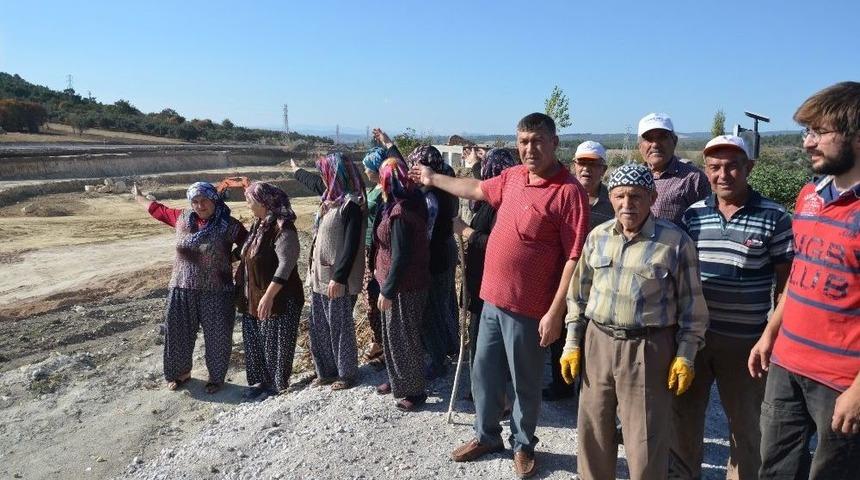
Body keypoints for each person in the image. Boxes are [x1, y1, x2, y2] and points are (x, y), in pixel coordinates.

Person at [412, 113, 589, 479]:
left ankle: (523, 445)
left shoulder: (568, 192)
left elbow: (575, 257)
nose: (529, 149)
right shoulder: (511, 178)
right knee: (484, 375)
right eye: (523, 141)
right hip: (491, 300)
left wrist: (555, 312)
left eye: (538, 141)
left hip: (530, 307)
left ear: (555, 143)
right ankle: (486, 436)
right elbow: (475, 189)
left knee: (525, 382)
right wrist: (433, 178)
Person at [560, 163, 709, 480]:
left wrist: (686, 355)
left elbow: (693, 308)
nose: (627, 205)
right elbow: (578, 296)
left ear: (652, 197)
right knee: (594, 433)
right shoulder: (597, 237)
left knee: (645, 441)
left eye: (636, 196)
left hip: (648, 348)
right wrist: (572, 343)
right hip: (598, 343)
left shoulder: (676, 243)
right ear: (610, 197)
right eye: (620, 196)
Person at [749, 81, 860, 479]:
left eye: (818, 132)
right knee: (775, 469)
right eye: (805, 132)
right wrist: (770, 334)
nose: (807, 143)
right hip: (787, 362)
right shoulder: (809, 195)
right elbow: (799, 277)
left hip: (841, 380)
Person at [670, 135, 793, 479]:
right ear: (706, 171)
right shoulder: (692, 216)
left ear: (749, 167)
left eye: (732, 166)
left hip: (746, 343)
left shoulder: (775, 216)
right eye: (714, 167)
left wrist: (772, 336)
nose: (723, 174)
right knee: (683, 419)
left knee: (746, 429)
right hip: (695, 339)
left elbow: (785, 284)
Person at [132, 181, 248, 394]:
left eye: (204, 200)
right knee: (177, 333)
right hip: (182, 287)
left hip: (217, 290)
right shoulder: (181, 218)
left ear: (214, 199)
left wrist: (229, 257)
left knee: (218, 336)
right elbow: (156, 210)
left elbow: (249, 244)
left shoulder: (229, 225)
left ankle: (216, 378)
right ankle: (180, 373)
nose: (200, 205)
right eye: (195, 201)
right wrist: (138, 196)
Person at [544, 140, 615, 402]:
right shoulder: (561, 194)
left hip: (600, 281)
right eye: (582, 163)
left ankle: (590, 392)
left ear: (603, 169)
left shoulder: (613, 203)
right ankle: (561, 385)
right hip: (563, 275)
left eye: (593, 165)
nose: (587, 170)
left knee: (593, 337)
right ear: (574, 166)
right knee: (560, 330)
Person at [290, 153, 366, 391]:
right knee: (319, 325)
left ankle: (347, 374)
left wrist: (339, 277)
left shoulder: (351, 204)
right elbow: (313, 182)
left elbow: (352, 246)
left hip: (336, 279)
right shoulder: (330, 199)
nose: (323, 179)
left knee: (340, 327)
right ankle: (326, 371)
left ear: (336, 176)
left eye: (326, 174)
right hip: (319, 277)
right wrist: (296, 171)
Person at [372, 155, 432, 411]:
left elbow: (401, 257)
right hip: (395, 282)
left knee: (405, 338)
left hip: (404, 286)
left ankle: (415, 391)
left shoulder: (401, 213)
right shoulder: (402, 202)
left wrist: (388, 290)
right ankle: (398, 380)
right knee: (393, 337)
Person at [235, 181, 304, 400]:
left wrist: (269, 295)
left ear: (264, 202)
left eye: (250, 200)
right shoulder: (259, 224)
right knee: (255, 340)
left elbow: (286, 263)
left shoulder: (283, 228)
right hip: (253, 295)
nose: (247, 204)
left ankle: (275, 386)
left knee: (276, 342)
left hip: (278, 298)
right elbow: (244, 251)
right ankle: (259, 383)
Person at [451, 148, 518, 369]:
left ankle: (485, 391)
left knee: (485, 339)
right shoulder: (494, 201)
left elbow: (497, 245)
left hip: (489, 284)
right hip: (483, 280)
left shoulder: (501, 205)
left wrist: (466, 231)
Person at [638, 113, 711, 225]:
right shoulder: (632, 177)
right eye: (649, 139)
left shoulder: (693, 178)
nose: (655, 144)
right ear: (639, 146)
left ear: (674, 141)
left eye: (662, 137)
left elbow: (706, 223)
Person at [359, 146, 387, 370]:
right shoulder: (375, 188)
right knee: (370, 297)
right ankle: (379, 342)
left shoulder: (383, 192)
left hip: (375, 249)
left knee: (374, 297)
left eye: (367, 167)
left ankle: (383, 344)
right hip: (369, 248)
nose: (365, 170)